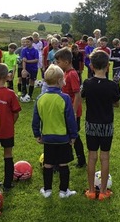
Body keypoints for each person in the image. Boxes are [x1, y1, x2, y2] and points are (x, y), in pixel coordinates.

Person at [32, 65, 78, 198]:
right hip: (63, 138)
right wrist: (73, 135)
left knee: (48, 164)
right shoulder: (65, 98)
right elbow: (70, 119)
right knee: (63, 163)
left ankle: (47, 191)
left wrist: (37, 134)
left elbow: (36, 119)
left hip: (47, 138)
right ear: (59, 81)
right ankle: (64, 191)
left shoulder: (40, 98)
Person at [81, 51, 120, 201]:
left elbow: (84, 96)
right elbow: (116, 103)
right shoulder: (112, 85)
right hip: (106, 125)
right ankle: (103, 191)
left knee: (91, 156)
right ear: (108, 66)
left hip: (91, 124)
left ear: (91, 66)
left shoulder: (87, 83)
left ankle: (91, 191)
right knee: (105, 157)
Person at [0, 63, 22, 190]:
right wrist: (9, 124)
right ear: (8, 77)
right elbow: (16, 114)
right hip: (8, 131)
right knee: (8, 154)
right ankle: (7, 184)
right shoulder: (11, 93)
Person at [55, 48, 86, 168]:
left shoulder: (72, 74)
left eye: (58, 62)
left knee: (74, 135)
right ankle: (76, 160)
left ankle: (79, 160)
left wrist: (73, 112)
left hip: (73, 112)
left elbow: (78, 95)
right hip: (66, 111)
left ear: (66, 62)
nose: (57, 65)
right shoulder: (65, 73)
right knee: (71, 135)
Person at [21, 36, 40, 101]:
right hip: (26, 68)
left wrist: (28, 61)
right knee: (23, 76)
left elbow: (36, 60)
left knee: (32, 81)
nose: (26, 43)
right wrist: (24, 69)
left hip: (34, 68)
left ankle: (30, 95)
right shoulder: (24, 50)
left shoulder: (35, 51)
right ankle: (24, 93)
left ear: (32, 42)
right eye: (26, 42)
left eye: (28, 42)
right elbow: (24, 60)